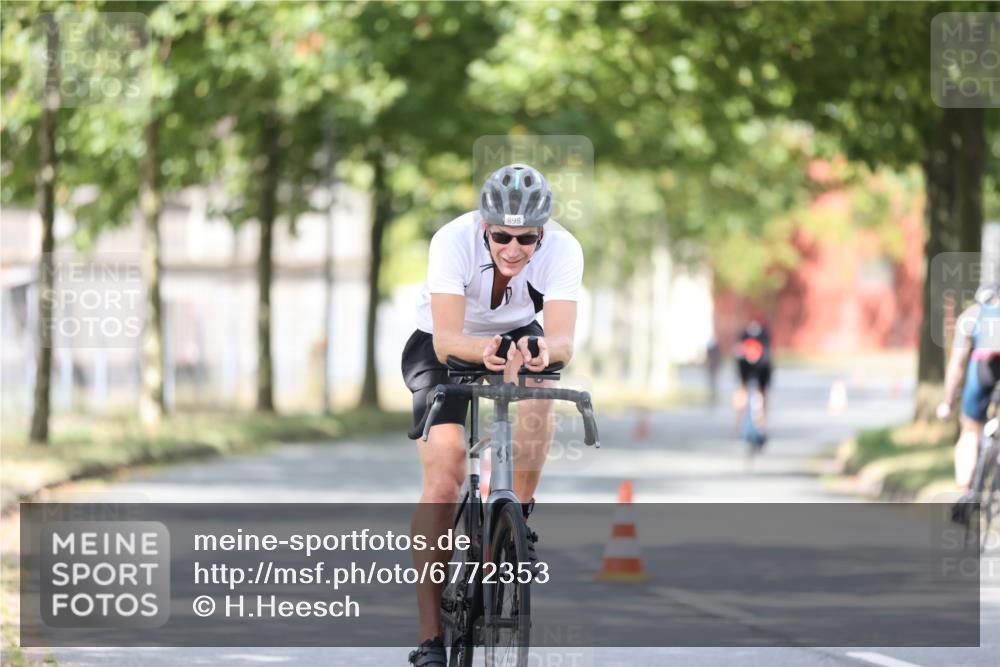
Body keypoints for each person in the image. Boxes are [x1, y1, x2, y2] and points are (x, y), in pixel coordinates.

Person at [401, 163, 584, 666]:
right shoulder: (451, 240)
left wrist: (548, 352)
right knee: (446, 474)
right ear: (484, 225)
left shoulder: (564, 249)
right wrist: (482, 352)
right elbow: (445, 339)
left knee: (538, 401)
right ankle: (429, 635)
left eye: (526, 239)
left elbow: (564, 339)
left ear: (542, 232)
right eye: (501, 235)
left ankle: (513, 523)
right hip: (441, 348)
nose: (512, 248)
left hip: (516, 336)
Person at [936, 283, 1000, 499]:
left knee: (970, 430)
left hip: (983, 368)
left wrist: (948, 402)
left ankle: (963, 491)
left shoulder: (971, 315)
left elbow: (957, 364)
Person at [733, 318, 772, 437]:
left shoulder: (749, 335)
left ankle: (743, 425)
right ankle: (758, 424)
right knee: (748, 391)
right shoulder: (762, 335)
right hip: (755, 365)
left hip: (759, 366)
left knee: (750, 391)